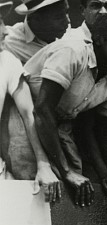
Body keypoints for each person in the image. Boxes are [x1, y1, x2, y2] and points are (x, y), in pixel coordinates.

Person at [23, 11, 107, 206]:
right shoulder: (72, 52)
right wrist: (66, 172)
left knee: (77, 178)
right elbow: (42, 110)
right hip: (24, 113)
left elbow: (104, 130)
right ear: (100, 39)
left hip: (55, 122)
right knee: (34, 175)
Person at [0, 3, 60, 199]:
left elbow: (28, 115)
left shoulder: (8, 61)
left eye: (2, 22)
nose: (4, 32)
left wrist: (43, 165)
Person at [4, 0, 69, 64]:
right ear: (35, 19)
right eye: (58, 17)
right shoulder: (9, 43)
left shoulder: (71, 35)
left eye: (67, 12)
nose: (68, 21)